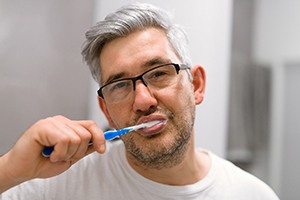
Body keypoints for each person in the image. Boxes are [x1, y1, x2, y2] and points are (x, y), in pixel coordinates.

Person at [0, 3, 279, 199]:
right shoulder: (54, 185)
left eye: (158, 73)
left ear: (196, 85)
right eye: (120, 85)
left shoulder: (252, 195)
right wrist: (11, 168)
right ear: (106, 111)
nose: (143, 101)